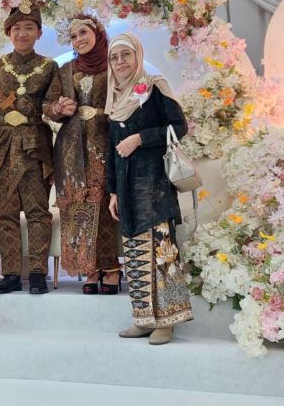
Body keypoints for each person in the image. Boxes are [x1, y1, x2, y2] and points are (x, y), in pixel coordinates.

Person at [0, 0, 74, 295]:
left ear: (39, 33)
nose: (22, 33)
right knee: (5, 211)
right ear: (8, 32)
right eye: (17, 28)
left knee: (37, 211)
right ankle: (10, 274)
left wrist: (56, 109)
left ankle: (36, 273)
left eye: (29, 28)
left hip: (35, 146)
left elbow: (49, 105)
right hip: (1, 146)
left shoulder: (49, 67)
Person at [105, 32, 193, 345]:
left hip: (154, 185)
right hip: (126, 187)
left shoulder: (155, 87)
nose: (120, 62)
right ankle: (144, 319)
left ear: (137, 56)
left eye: (125, 55)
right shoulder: (114, 98)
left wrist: (140, 138)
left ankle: (167, 321)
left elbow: (179, 126)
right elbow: (111, 149)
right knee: (135, 254)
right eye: (114, 58)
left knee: (161, 251)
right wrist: (113, 191)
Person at [53, 15, 121, 294]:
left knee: (103, 205)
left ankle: (111, 268)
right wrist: (58, 109)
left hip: (104, 144)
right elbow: (49, 106)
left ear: (98, 32)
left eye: (84, 32)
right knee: (77, 205)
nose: (79, 39)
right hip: (72, 149)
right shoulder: (66, 70)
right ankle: (89, 268)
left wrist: (104, 115)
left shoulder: (114, 65)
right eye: (73, 36)